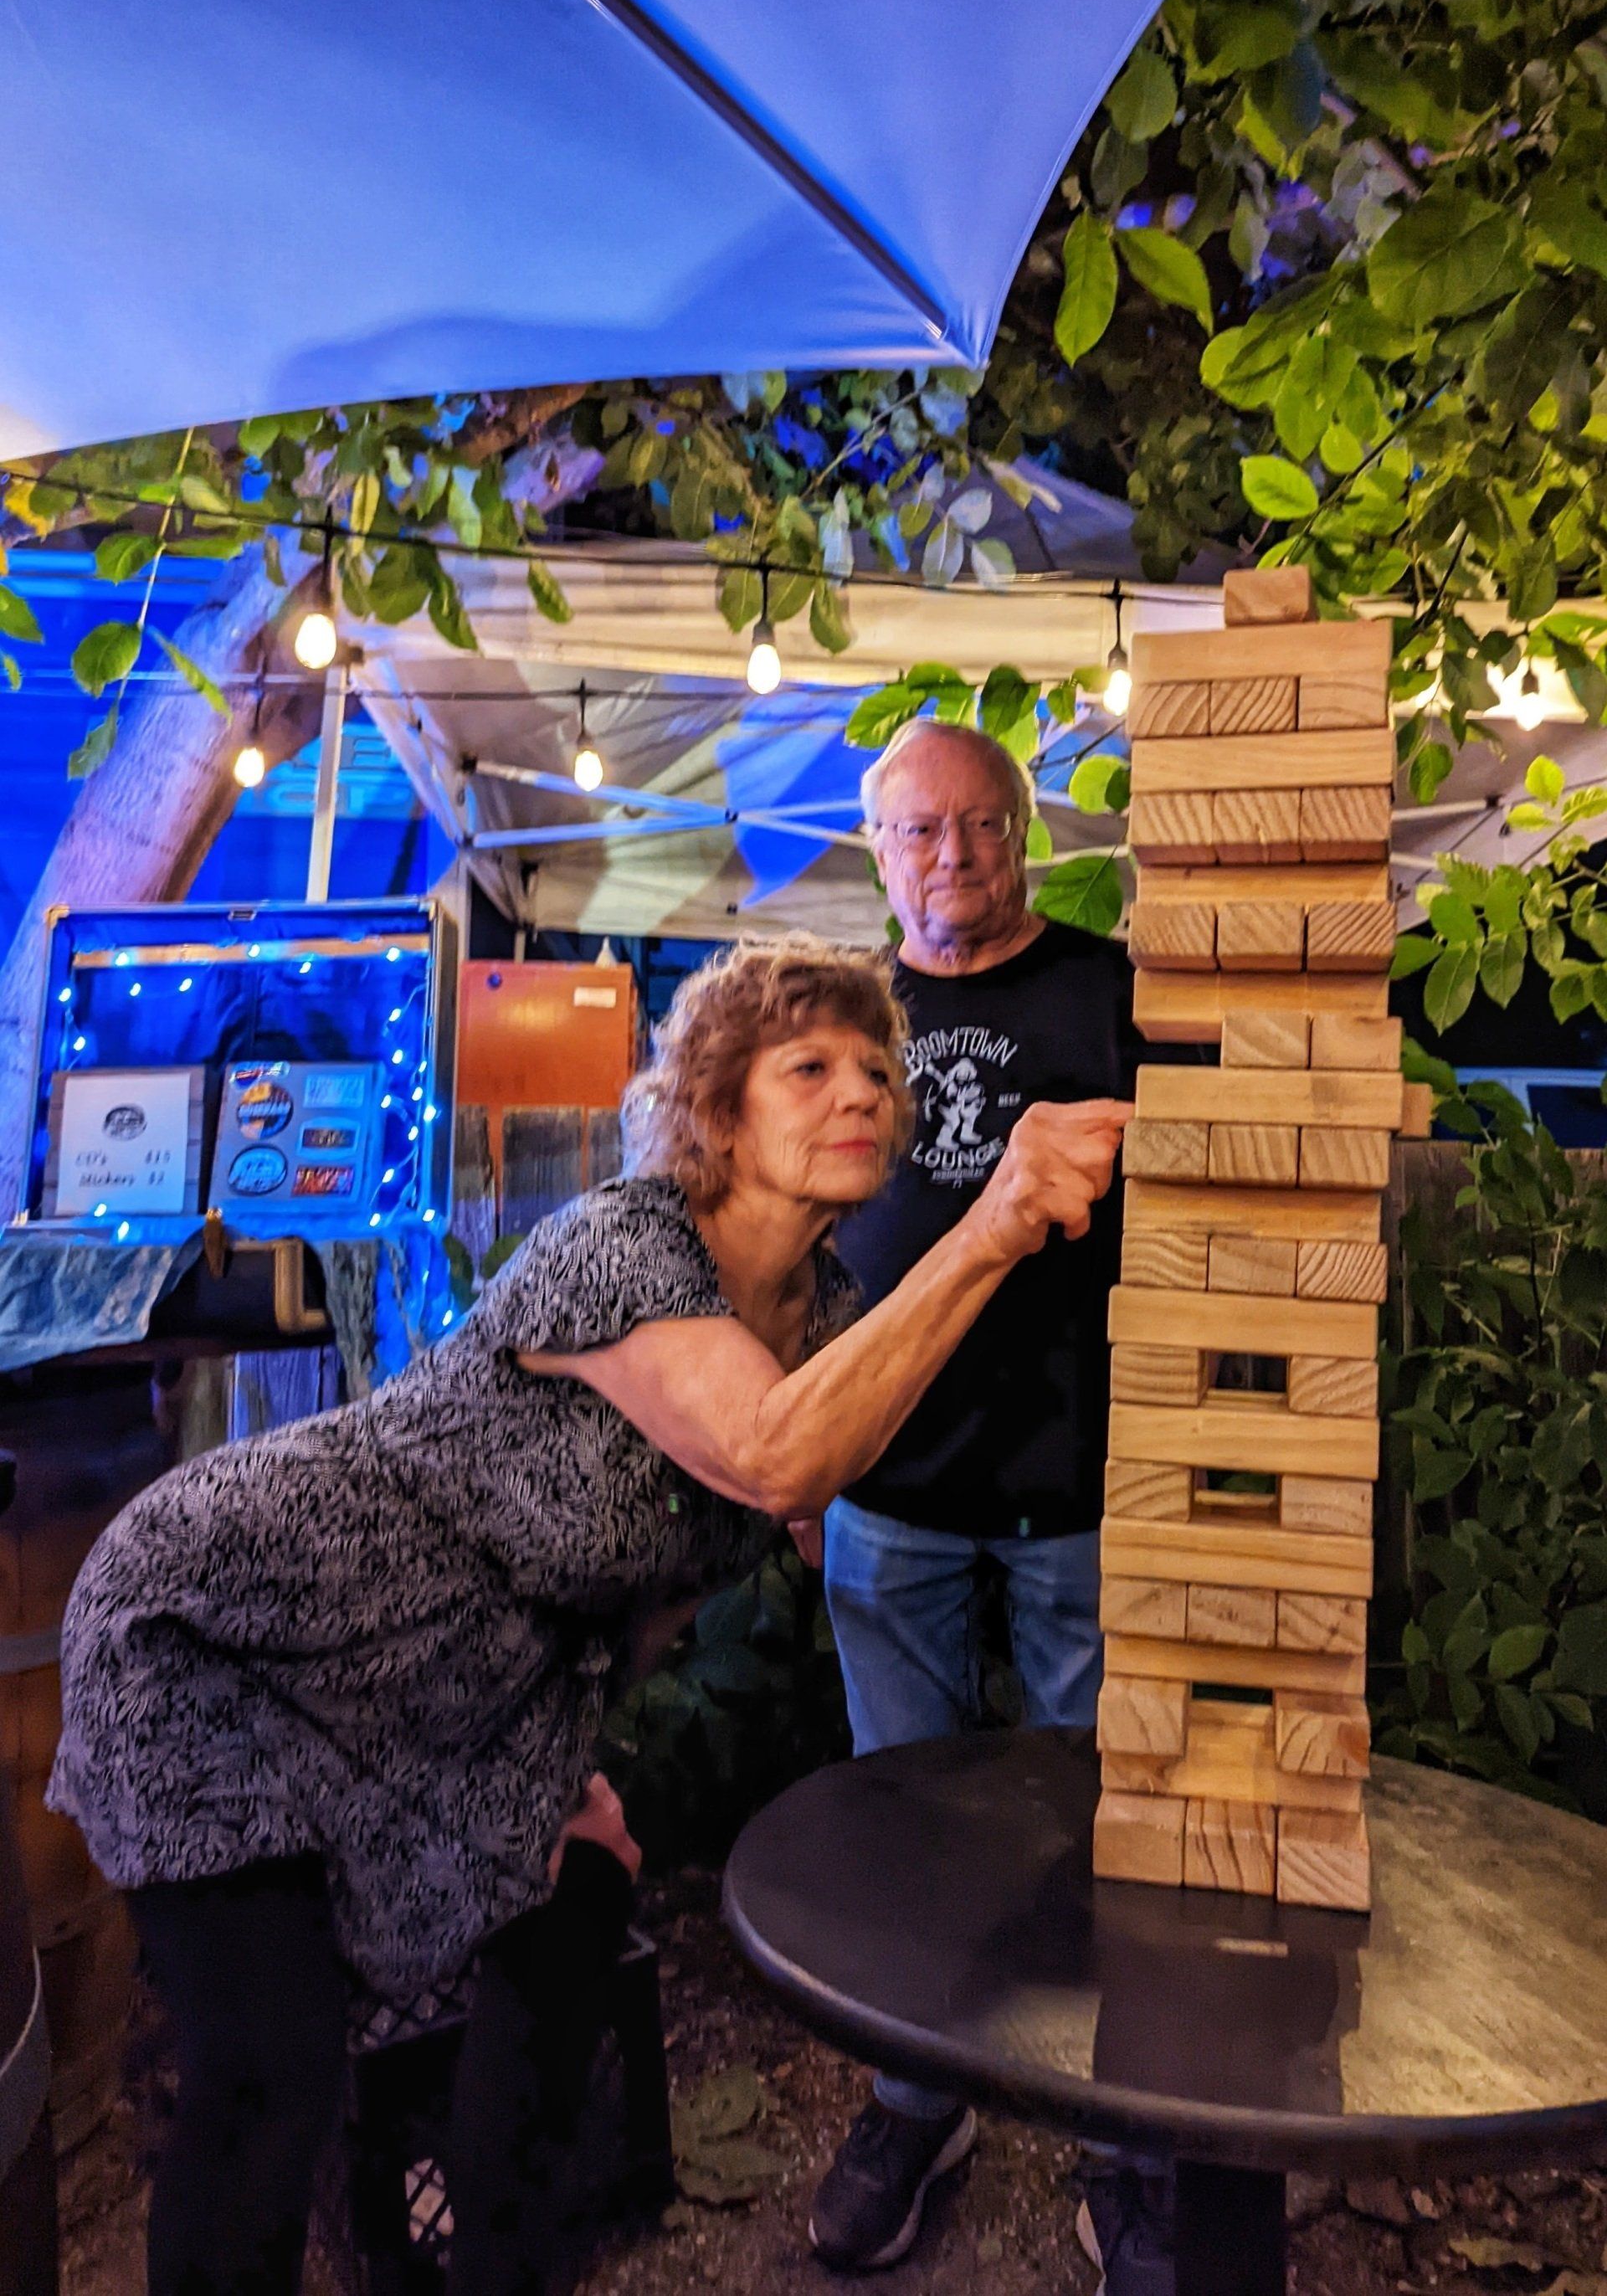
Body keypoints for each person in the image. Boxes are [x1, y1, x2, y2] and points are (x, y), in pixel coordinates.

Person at [49, 933, 1129, 2296]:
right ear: (719, 1108)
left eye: (876, 1068)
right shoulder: (620, 1246)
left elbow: (686, 1558)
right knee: (272, 2063)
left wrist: (566, 1762)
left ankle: (504, 2268)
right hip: (226, 1630)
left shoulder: (825, 1307)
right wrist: (997, 1222)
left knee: (576, 1903)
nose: (860, 1090)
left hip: (442, 1687)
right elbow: (781, 1459)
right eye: (809, 1066)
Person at [809, 719, 1146, 2277]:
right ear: (879, 853)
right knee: (909, 1821)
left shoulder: (1104, 990)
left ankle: (1124, 2128)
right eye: (921, 834)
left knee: (1104, 1819)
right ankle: (916, 2099)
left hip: (1078, 1486)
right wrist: (797, 1454)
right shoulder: (843, 1016)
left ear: (1026, 836)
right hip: (892, 1500)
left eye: (983, 827)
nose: (955, 857)